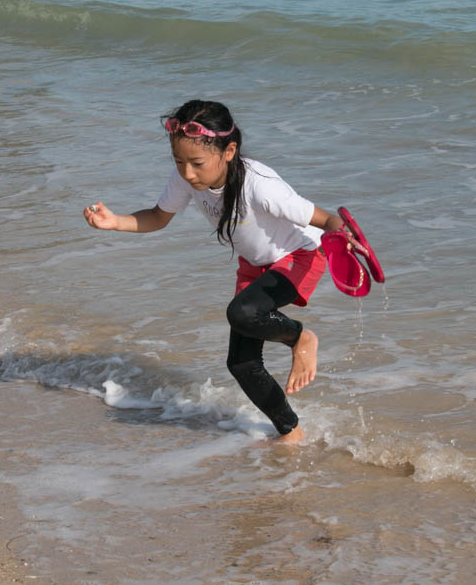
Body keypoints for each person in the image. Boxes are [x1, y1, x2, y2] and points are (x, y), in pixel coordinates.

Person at [83, 100, 353, 445]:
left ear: (229, 151)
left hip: (298, 255)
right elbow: (158, 216)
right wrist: (116, 221)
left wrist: (342, 233)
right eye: (179, 162)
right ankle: (290, 430)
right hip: (255, 265)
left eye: (196, 164)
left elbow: (324, 219)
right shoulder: (188, 179)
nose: (187, 173)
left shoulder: (259, 184)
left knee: (242, 312)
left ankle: (301, 337)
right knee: (241, 364)